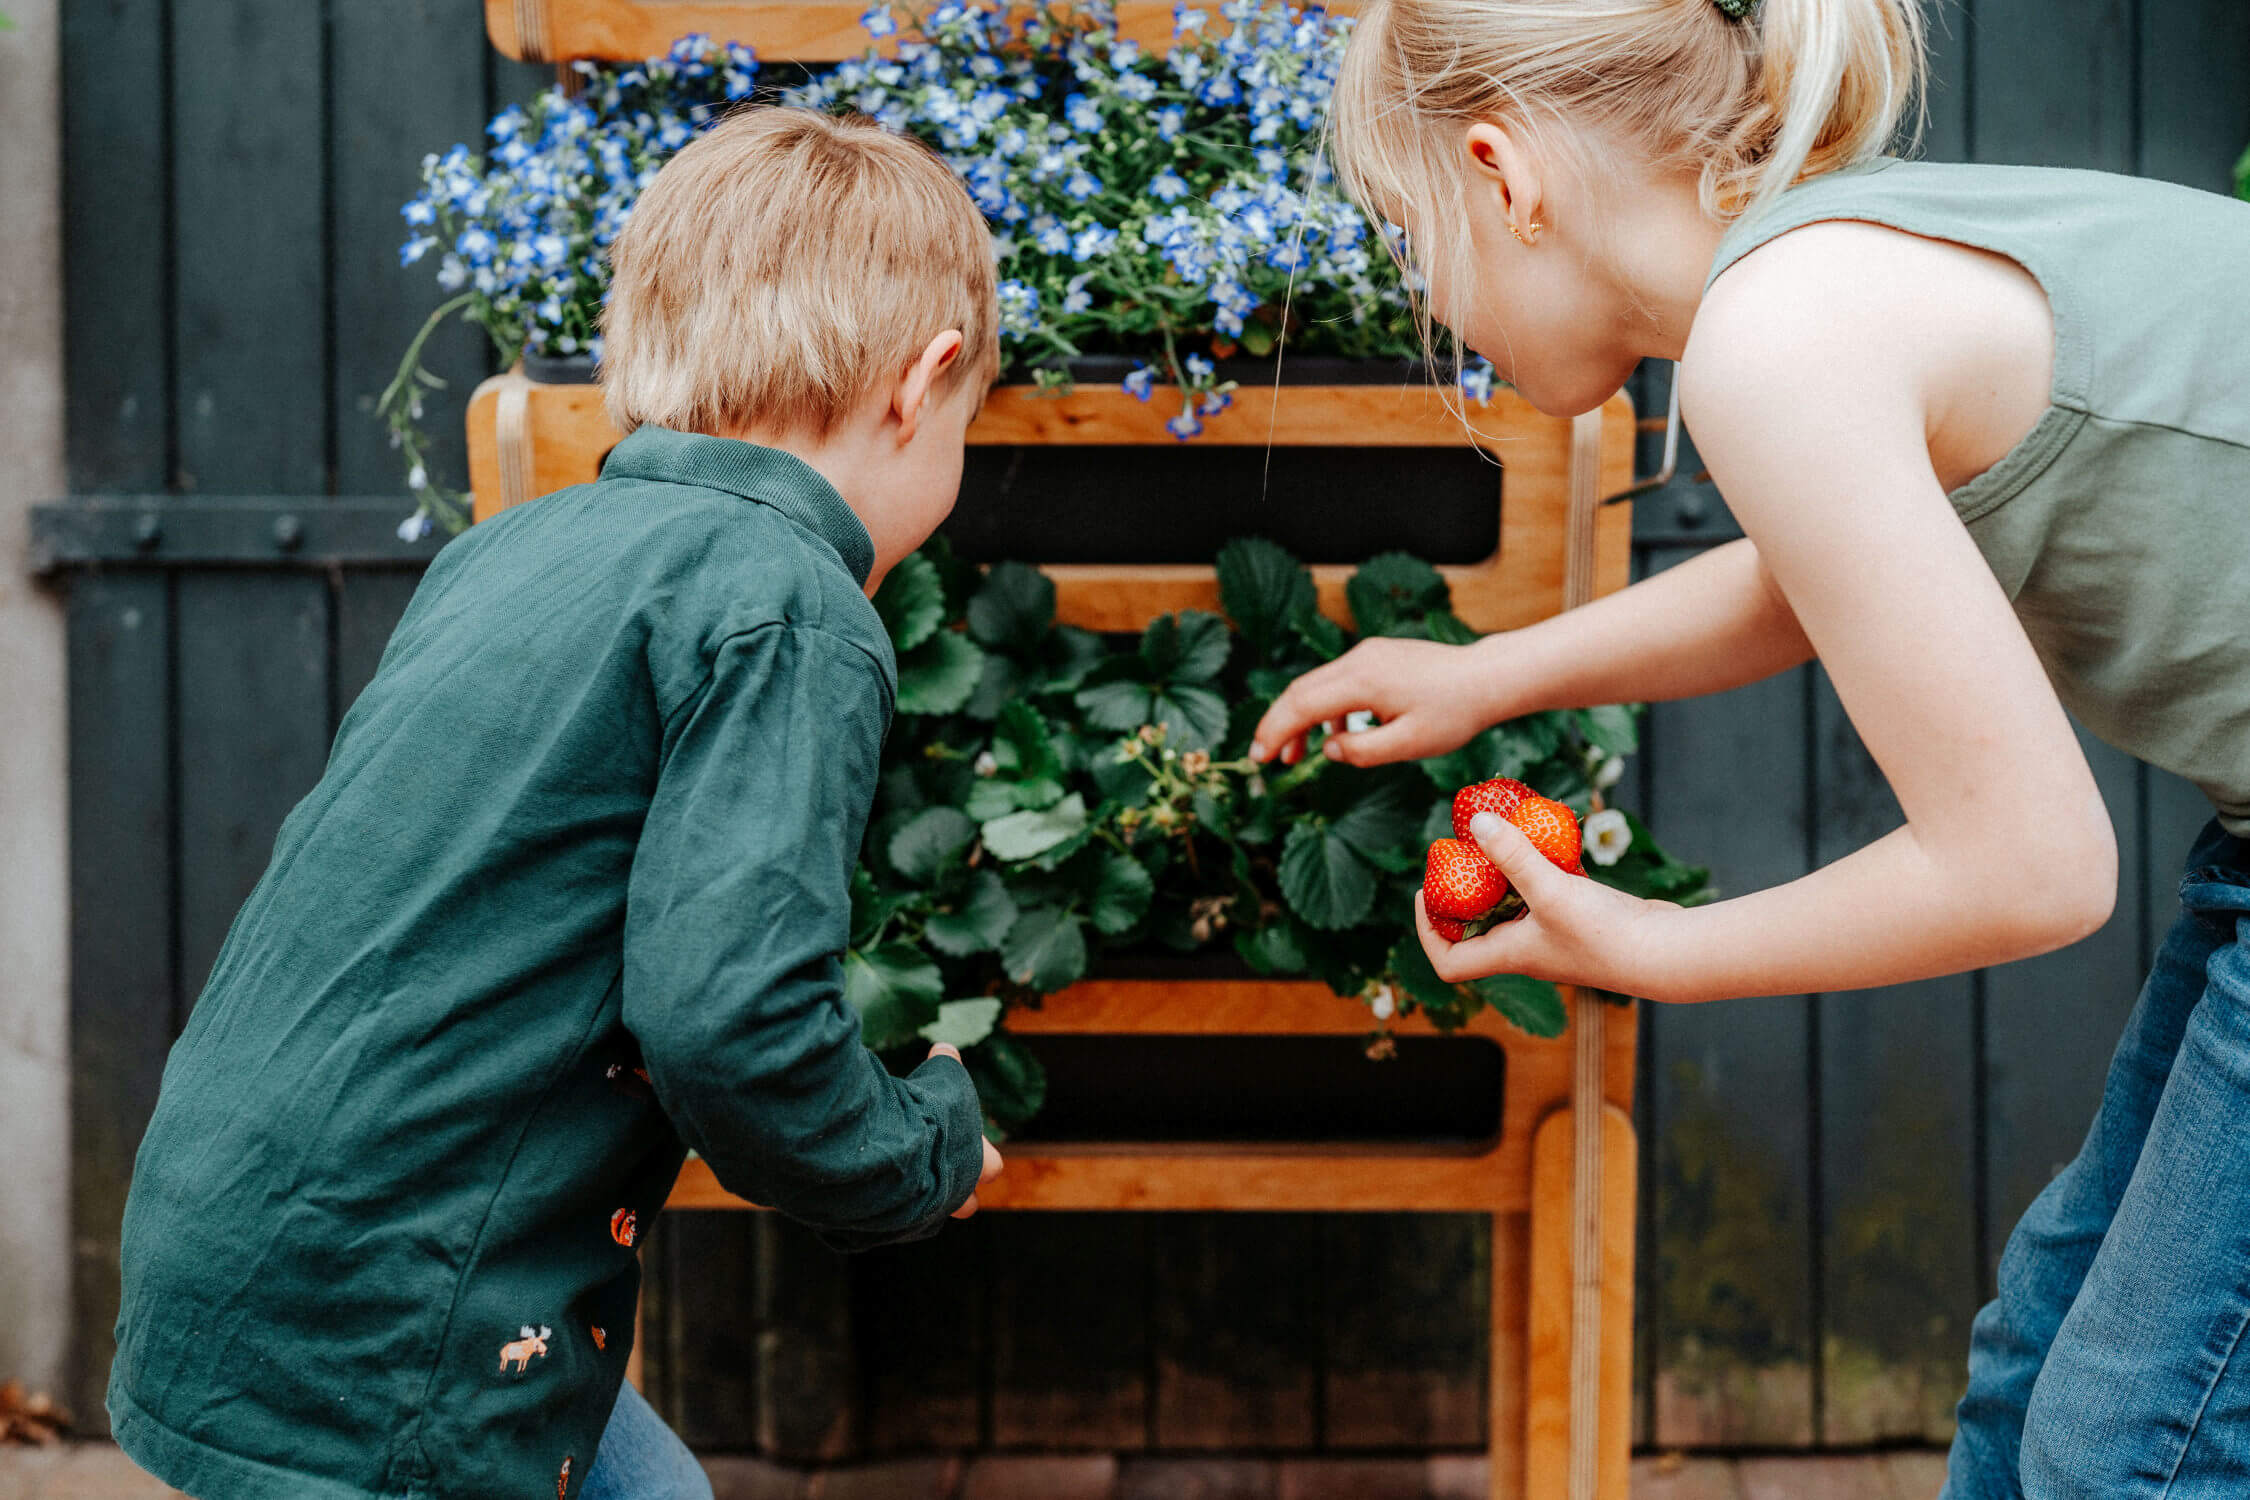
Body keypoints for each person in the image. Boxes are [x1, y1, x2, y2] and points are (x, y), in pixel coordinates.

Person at [1250, 0, 2250, 1493]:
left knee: (2126, 1454)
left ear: (1501, 176)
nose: (1426, 298)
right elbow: (1820, 569)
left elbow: (2033, 871)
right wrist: (1491, 673)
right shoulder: (1830, 273)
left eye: (1410, 235)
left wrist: (1645, 946)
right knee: (2040, 1369)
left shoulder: (1776, 340)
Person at [108, 107, 1004, 1500]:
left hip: (250, 1246)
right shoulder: (786, 608)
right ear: (921, 382)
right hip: (403, 1323)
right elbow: (732, 1028)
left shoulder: (514, 551)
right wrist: (920, 1148)